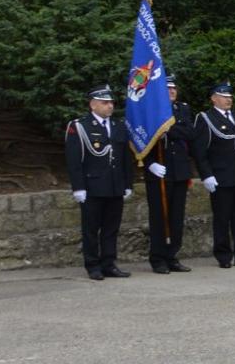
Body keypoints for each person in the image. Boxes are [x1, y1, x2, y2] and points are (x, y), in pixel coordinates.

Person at [66, 85, 133, 280]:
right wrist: (78, 187)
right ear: (93, 105)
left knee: (111, 228)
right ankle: (93, 265)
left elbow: (125, 158)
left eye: (111, 102)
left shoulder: (119, 126)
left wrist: (127, 183)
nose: (110, 106)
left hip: (114, 186)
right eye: (105, 103)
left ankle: (109, 263)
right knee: (91, 229)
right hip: (92, 186)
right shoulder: (79, 126)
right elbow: (74, 160)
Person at [194, 82, 235, 268]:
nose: (228, 99)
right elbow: (200, 150)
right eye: (223, 96)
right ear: (213, 98)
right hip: (220, 177)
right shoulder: (206, 118)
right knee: (222, 218)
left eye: (230, 96)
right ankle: (223, 256)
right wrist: (206, 175)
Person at [140, 77, 196, 274]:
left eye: (174, 88)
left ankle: (172, 255)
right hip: (158, 170)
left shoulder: (183, 109)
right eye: (168, 88)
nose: (172, 91)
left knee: (176, 217)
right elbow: (141, 139)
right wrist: (149, 164)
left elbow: (189, 132)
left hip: (179, 170)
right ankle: (158, 259)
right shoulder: (150, 111)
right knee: (159, 217)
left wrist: (168, 129)